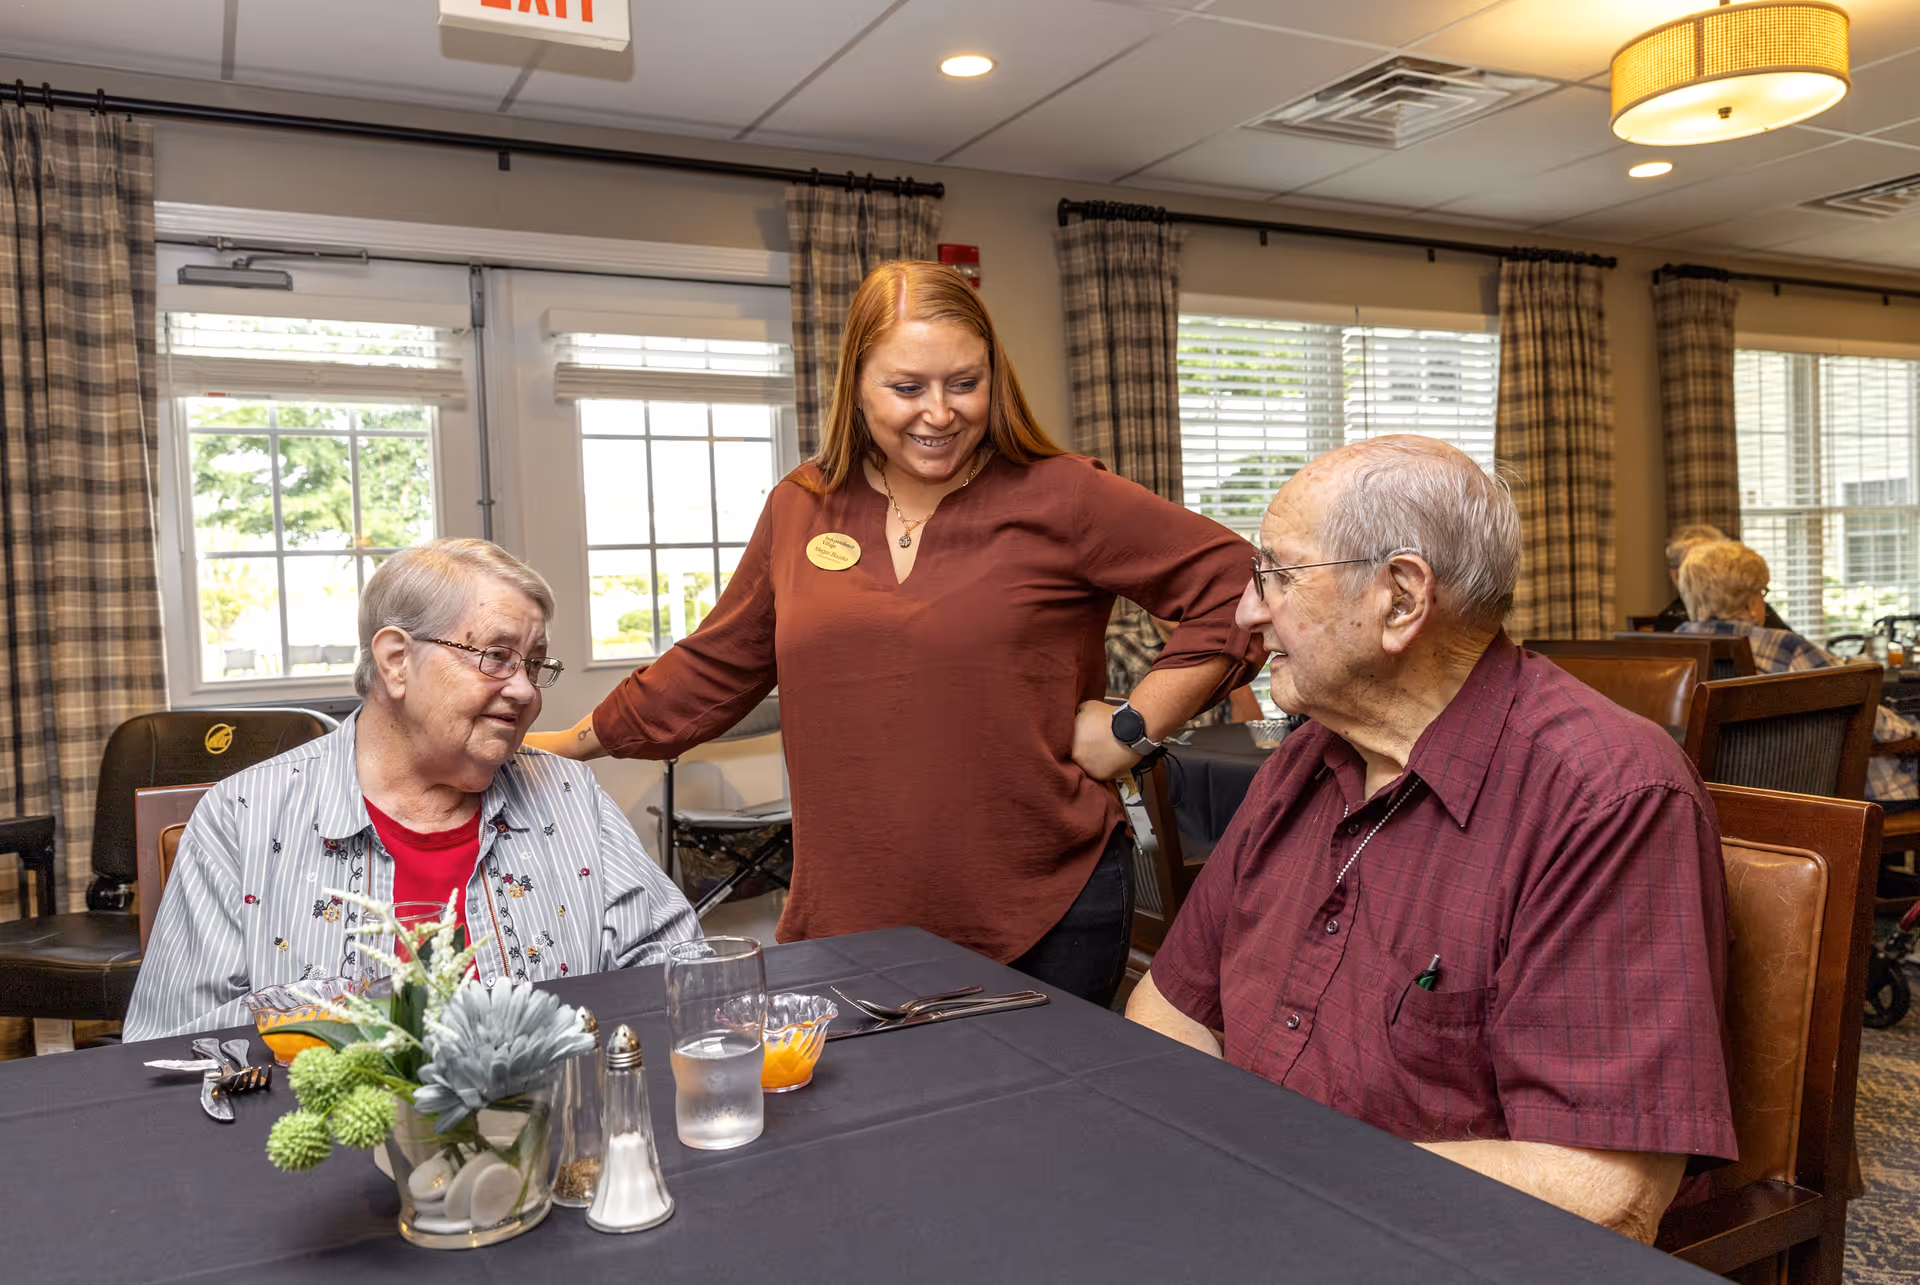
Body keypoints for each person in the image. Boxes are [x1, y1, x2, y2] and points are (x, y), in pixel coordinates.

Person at [527, 260, 1259, 1007]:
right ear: (857, 385)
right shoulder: (801, 506)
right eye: (907, 387)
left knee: (1031, 1126)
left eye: (964, 383)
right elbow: (718, 663)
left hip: (1043, 902)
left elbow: (1240, 582)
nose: (939, 413)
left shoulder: (1062, 493)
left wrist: (1137, 722)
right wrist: (564, 744)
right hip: (851, 910)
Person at [1127, 436, 1736, 1244]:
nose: (1247, 609)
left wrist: (1277, 1173)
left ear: (1402, 597)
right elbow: (1167, 1006)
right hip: (1257, 1215)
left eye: (1276, 573)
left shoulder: (1605, 798)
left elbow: (1604, 1192)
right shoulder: (1309, 754)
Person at [125, 539, 697, 1041]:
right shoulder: (242, 818)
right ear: (397, 661)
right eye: (497, 657)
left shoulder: (571, 798)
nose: (525, 691)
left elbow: (682, 969)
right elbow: (171, 1042)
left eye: (536, 664)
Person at [1676, 538, 1920, 813]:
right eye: (1762, 592)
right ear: (1749, 600)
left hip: (1707, 801)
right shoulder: (1785, 649)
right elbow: (1871, 720)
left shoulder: (1673, 650)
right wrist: (1912, 728)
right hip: (1801, 797)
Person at [1650, 523, 1791, 632]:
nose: (1711, 572)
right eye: (1697, 567)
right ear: (1676, 577)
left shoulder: (1752, 604)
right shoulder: (1672, 621)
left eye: (1717, 562)